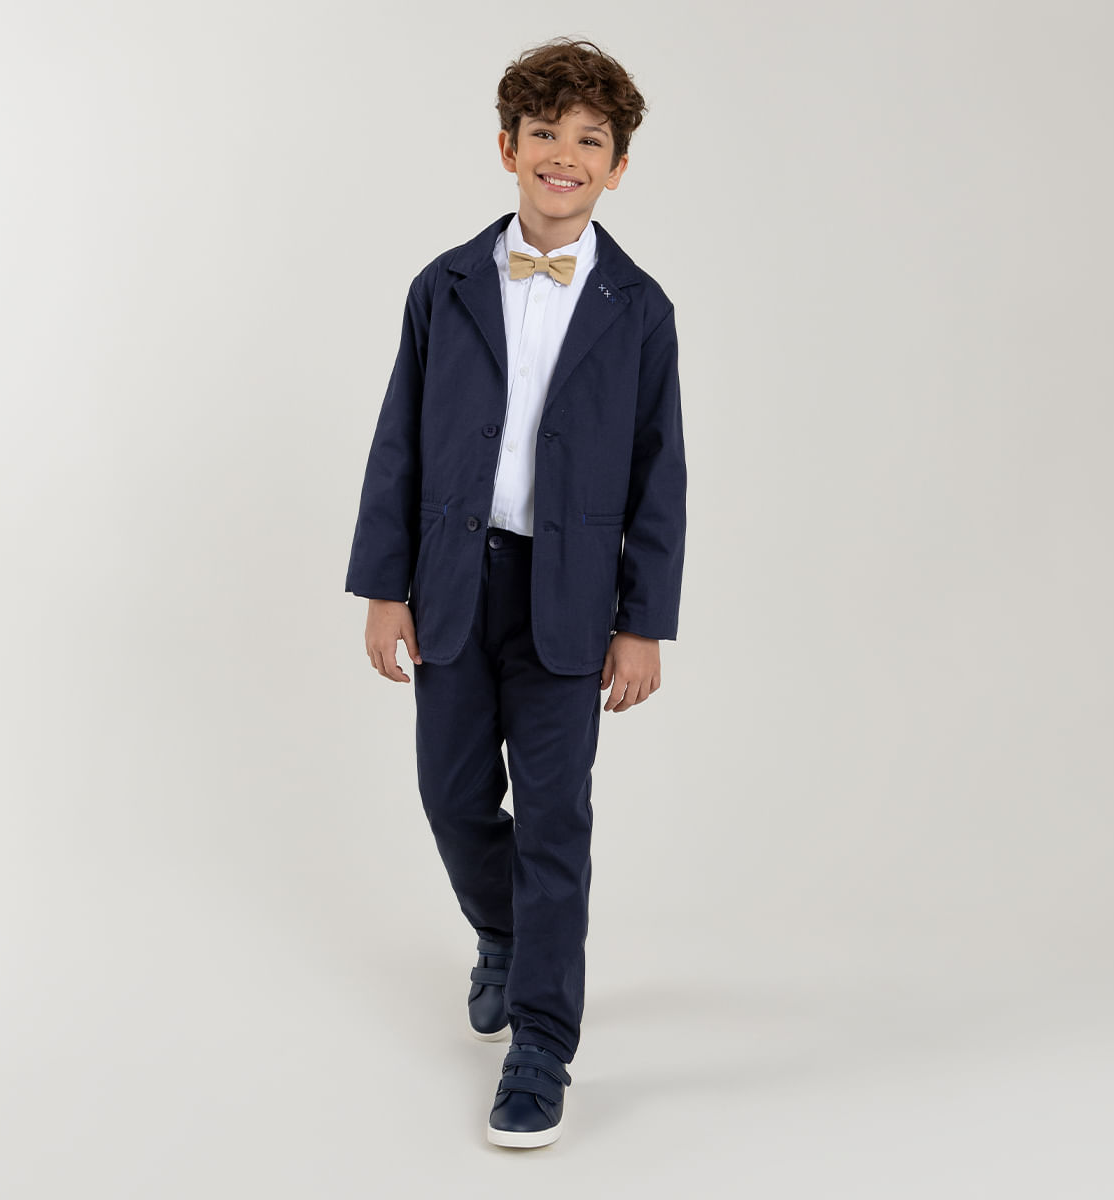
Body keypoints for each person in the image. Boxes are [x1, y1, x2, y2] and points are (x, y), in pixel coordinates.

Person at [345, 36, 686, 1148]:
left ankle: (542, 1042)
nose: (563, 155)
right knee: (451, 796)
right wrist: (383, 585)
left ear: (617, 167)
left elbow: (661, 474)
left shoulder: (640, 309)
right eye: (545, 133)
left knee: (553, 819)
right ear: (508, 147)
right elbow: (398, 441)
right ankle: (502, 931)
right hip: (452, 579)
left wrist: (642, 621)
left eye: (590, 140)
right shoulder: (442, 286)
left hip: (569, 599)